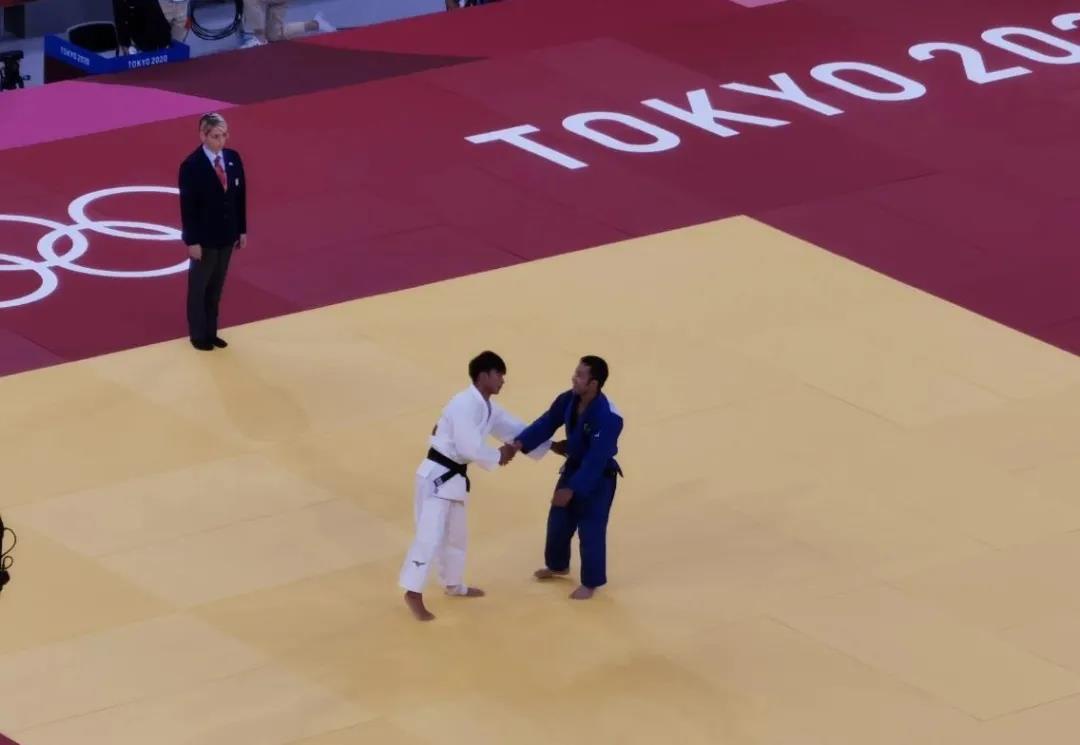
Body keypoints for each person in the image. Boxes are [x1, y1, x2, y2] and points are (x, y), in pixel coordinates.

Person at [399, 351, 551, 621]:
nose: (503, 380)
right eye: (499, 374)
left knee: (457, 536)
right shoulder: (463, 404)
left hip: (454, 479)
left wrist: (550, 446)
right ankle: (413, 592)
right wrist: (499, 455)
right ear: (483, 376)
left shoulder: (487, 407)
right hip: (437, 476)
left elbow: (516, 429)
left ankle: (454, 584)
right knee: (429, 536)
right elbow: (468, 446)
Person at [510, 356, 623, 600]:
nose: (574, 378)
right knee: (558, 522)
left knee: (591, 529)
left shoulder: (608, 417)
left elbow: (596, 459)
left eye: (580, 375)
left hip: (599, 477)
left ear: (593, 384)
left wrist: (572, 489)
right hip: (574, 467)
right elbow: (547, 422)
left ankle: (591, 582)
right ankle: (558, 565)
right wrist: (521, 442)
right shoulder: (569, 399)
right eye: (576, 372)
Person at [178, 113, 247, 351]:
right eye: (216, 136)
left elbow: (240, 197)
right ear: (203, 135)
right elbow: (188, 207)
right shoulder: (191, 166)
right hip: (204, 239)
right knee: (199, 287)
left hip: (227, 235)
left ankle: (211, 331)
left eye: (224, 135)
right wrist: (192, 241)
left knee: (216, 287)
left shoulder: (233, 158)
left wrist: (242, 229)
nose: (221, 141)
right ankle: (198, 335)